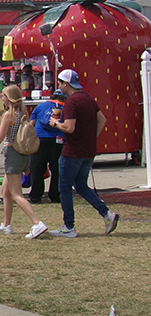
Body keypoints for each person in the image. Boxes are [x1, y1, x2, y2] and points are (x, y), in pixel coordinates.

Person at [48, 69, 119, 237]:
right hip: (88, 150)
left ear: (66, 84)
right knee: (81, 185)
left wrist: (55, 123)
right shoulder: (88, 98)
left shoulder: (72, 102)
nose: (59, 86)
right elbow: (102, 119)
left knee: (64, 187)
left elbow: (69, 127)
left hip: (72, 151)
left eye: (60, 83)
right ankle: (106, 214)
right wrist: (91, 136)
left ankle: (69, 227)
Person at [0, 84, 48, 239]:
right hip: (21, 154)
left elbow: (0, 138)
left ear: (8, 98)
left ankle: (37, 223)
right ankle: (6, 225)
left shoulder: (8, 115)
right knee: (5, 191)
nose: (1, 98)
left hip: (12, 154)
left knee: (16, 194)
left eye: (3, 96)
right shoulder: (22, 113)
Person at [27, 89, 66, 204]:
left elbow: (31, 124)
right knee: (57, 170)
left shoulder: (40, 107)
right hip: (58, 139)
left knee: (37, 168)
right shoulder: (65, 107)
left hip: (40, 138)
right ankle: (55, 195)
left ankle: (36, 195)